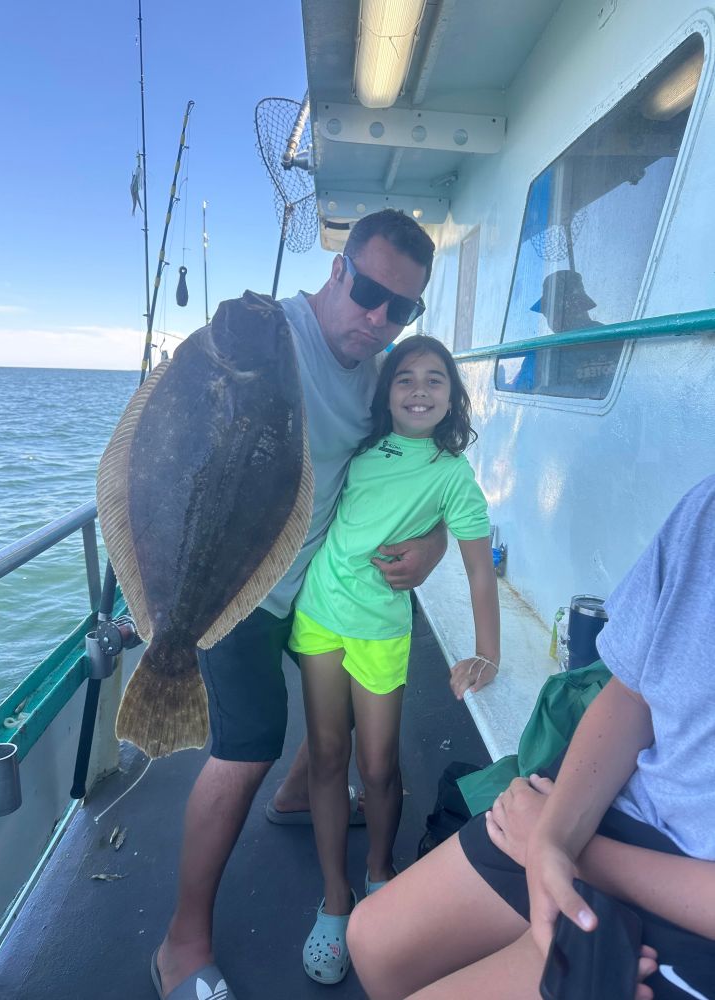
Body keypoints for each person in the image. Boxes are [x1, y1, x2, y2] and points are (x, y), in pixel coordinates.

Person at [154, 210, 458, 1000]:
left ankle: (301, 798)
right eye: (367, 292)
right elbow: (176, 449)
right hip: (236, 586)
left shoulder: (385, 370)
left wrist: (431, 548)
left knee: (348, 715)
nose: (378, 318)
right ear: (336, 271)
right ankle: (181, 945)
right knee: (244, 747)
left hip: (320, 583)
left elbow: (417, 471)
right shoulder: (268, 339)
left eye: (403, 308)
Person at [346, 475, 715, 1000]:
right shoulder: (704, 510)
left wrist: (569, 851)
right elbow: (633, 693)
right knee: (374, 938)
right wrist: (554, 838)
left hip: (691, 907)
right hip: (627, 807)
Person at [292, 335, 500, 985]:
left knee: (378, 766)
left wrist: (486, 653)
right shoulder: (362, 449)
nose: (418, 389)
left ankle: (380, 876)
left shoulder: (452, 475)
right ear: (386, 394)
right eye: (404, 377)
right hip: (319, 614)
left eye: (434, 379)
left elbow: (478, 570)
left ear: (453, 398)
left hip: (382, 631)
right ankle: (335, 900)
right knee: (326, 756)